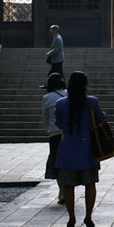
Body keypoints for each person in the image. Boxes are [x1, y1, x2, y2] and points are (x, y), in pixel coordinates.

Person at [54, 71, 107, 227]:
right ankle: (88, 217)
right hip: (88, 149)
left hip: (67, 149)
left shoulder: (61, 104)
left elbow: (58, 123)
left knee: (68, 185)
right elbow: (101, 117)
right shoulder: (92, 102)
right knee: (90, 183)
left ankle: (71, 218)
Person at [40, 72, 67, 204]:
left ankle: (62, 191)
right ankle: (67, 189)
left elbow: (44, 118)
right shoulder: (69, 94)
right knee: (68, 162)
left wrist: (48, 130)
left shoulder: (46, 98)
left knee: (57, 164)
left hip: (55, 134)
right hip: (69, 133)